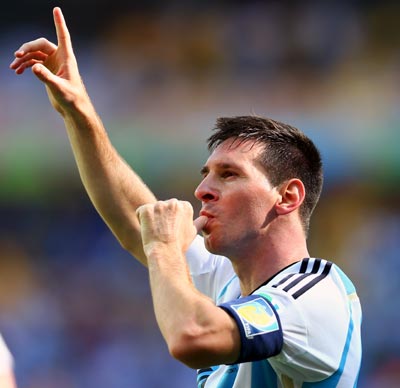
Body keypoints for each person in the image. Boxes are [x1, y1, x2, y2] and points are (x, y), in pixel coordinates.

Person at [10, 7, 362, 387]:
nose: (202, 190)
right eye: (206, 175)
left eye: (229, 175)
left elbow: (192, 336)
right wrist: (79, 113)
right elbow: (136, 224)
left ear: (288, 196)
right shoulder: (229, 282)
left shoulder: (315, 293)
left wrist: (163, 246)